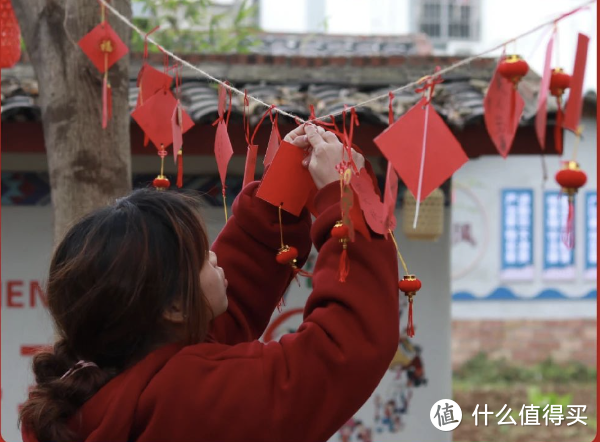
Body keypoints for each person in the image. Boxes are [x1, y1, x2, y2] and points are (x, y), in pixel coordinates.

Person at [19, 124, 399, 442]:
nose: (215, 256)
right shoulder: (182, 397)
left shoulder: (110, 385)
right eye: (202, 256)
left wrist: (278, 202)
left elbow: (223, 306)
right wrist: (344, 201)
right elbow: (340, 352)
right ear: (172, 307)